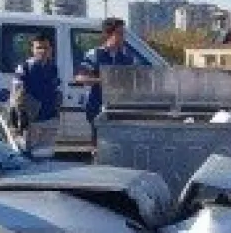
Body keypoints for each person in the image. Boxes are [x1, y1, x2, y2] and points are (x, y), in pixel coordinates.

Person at [72, 17, 137, 146]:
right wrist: (103, 80)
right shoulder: (95, 54)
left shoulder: (128, 57)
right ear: (108, 34)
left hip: (120, 109)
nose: (123, 37)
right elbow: (79, 77)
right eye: (119, 33)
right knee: (101, 147)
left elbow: (135, 80)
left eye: (124, 33)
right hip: (97, 108)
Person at [9, 31, 61, 157]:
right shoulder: (24, 68)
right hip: (32, 121)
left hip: (50, 120)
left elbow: (57, 91)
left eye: (46, 48)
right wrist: (20, 119)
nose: (42, 51)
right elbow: (16, 94)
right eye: (39, 47)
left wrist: (57, 110)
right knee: (28, 157)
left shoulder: (53, 68)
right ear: (32, 49)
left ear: (51, 49)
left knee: (46, 155)